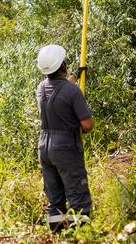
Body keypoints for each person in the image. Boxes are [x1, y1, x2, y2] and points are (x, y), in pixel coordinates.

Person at [35, 44, 94, 232]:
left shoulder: (41, 88)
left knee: (55, 200)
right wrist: (74, 125)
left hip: (44, 147)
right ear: (61, 65)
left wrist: (75, 77)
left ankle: (57, 242)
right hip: (66, 148)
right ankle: (80, 242)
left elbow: (59, 90)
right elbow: (87, 125)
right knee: (77, 197)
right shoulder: (72, 92)